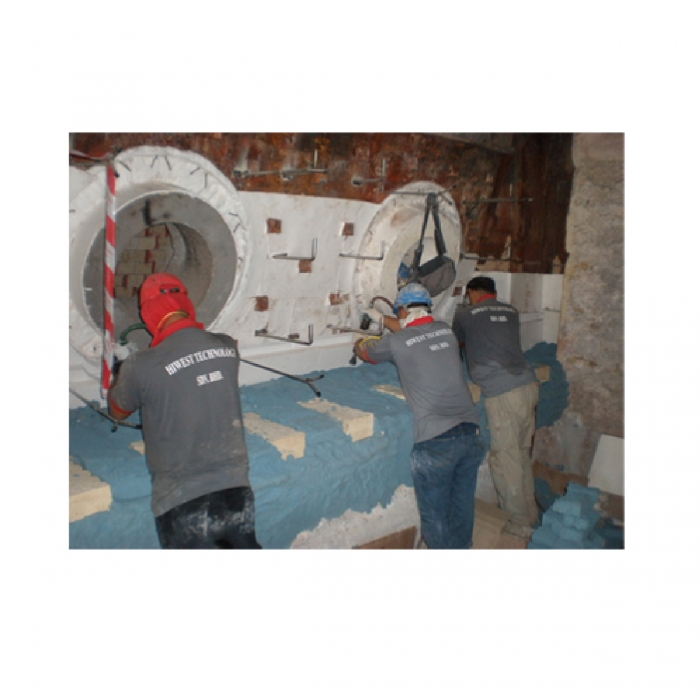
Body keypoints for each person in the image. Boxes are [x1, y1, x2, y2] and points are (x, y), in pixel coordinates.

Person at [108, 272, 261, 549]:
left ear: (148, 314)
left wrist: (121, 374)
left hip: (181, 498)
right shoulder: (227, 346)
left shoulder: (140, 365)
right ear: (186, 305)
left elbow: (117, 411)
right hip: (236, 489)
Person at [354, 283, 484, 549]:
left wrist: (359, 340)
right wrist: (383, 318)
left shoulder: (396, 342)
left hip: (436, 439)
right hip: (470, 432)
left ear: (402, 310)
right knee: (462, 505)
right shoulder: (446, 331)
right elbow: (415, 330)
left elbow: (367, 353)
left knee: (435, 516)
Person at [452, 276, 539, 538]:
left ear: (472, 292)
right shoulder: (511, 311)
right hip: (528, 385)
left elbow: (454, 345)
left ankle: (518, 524)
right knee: (521, 454)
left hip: (502, 391)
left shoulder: (466, 315)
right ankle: (531, 516)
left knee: (505, 458)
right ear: (494, 292)